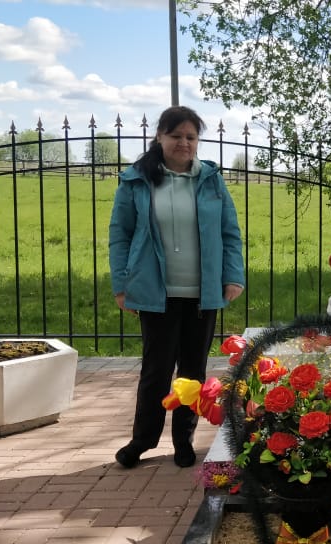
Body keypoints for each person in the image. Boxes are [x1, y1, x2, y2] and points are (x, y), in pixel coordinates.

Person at [109, 106, 245, 468]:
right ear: (159, 137)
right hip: (156, 293)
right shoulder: (136, 181)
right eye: (176, 136)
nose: (183, 143)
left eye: (190, 137)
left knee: (192, 372)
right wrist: (122, 285)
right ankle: (142, 440)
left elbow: (230, 232)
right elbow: (120, 236)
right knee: (156, 371)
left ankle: (183, 440)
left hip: (202, 294)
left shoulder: (211, 180)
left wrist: (233, 276)